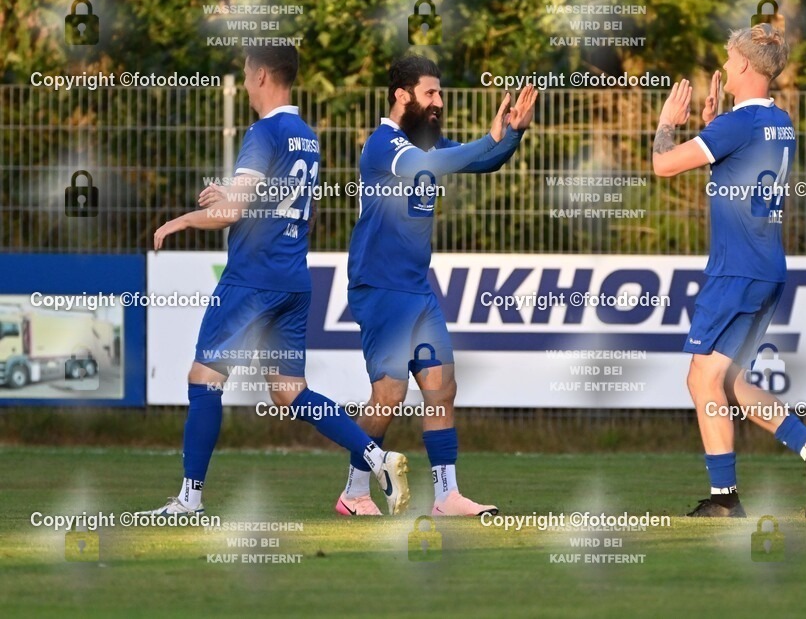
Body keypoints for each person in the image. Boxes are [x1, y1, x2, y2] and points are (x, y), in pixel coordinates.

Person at [142, 45, 410, 516]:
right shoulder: (307, 136)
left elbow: (234, 212)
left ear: (261, 74)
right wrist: (230, 193)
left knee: (203, 379)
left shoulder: (264, 132)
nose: (245, 84)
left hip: (251, 279)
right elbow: (273, 201)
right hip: (293, 280)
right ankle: (377, 457)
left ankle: (190, 499)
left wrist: (181, 221)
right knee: (289, 390)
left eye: (246, 75)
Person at [652, 24, 806, 518]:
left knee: (701, 380)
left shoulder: (737, 127)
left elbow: (663, 165)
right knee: (730, 380)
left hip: (735, 271)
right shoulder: (780, 121)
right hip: (766, 267)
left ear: (741, 66)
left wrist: (668, 123)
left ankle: (725, 499)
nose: (722, 66)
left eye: (726, 57)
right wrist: (715, 122)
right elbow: (742, 164)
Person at [336, 54, 538, 516]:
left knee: (441, 388)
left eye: (440, 93)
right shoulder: (383, 145)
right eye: (430, 93)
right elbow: (450, 158)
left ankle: (446, 496)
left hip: (416, 289)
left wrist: (513, 133)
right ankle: (353, 492)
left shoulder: (425, 147)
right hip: (380, 289)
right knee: (388, 396)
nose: (439, 102)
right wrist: (490, 136)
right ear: (401, 95)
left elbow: (481, 162)